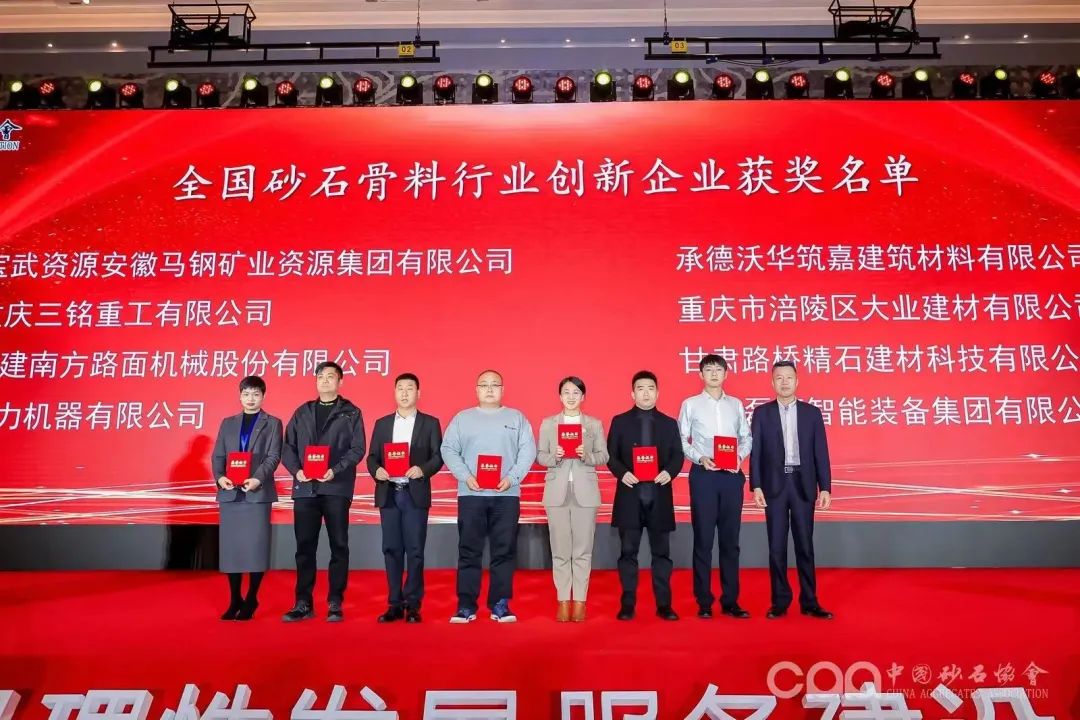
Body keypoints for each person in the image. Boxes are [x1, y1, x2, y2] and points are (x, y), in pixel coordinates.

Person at [441, 370, 536, 623]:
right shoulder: (462, 419)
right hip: (471, 494)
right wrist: (465, 476)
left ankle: (500, 604)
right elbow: (448, 449)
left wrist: (512, 478)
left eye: (495, 385)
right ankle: (466, 605)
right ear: (476, 390)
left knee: (504, 550)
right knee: (468, 550)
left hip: (507, 495)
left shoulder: (516, 418)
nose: (490, 389)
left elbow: (528, 451)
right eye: (484, 385)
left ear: (503, 390)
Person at [280, 361, 366, 623]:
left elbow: (358, 449)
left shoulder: (351, 412)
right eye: (320, 376)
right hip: (305, 488)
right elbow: (287, 446)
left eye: (330, 376)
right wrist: (297, 471)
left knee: (339, 545)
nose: (325, 380)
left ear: (340, 381)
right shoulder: (302, 411)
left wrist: (335, 470)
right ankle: (303, 602)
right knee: (304, 547)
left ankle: (335, 601)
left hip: (335, 487)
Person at [750, 360, 834, 620]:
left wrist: (825, 487)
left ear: (797, 381)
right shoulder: (762, 413)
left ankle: (810, 601)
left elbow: (821, 452)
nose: (784, 382)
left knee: (805, 546)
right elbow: (756, 453)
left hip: (803, 484)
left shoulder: (812, 413)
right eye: (779, 378)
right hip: (774, 486)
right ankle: (780, 601)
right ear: (772, 382)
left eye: (789, 377)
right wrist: (756, 485)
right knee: (776, 547)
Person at [677, 354, 753, 619]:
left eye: (718, 370)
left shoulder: (736, 405)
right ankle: (704, 601)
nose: (713, 374)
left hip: (731, 476)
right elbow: (681, 439)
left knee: (731, 541)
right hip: (704, 476)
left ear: (726, 374)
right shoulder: (691, 404)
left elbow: (746, 438)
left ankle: (731, 601)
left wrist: (739, 457)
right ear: (700, 375)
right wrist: (700, 457)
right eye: (708, 370)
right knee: (704, 539)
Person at [366, 373, 443, 624]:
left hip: (414, 493)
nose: (405, 393)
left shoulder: (430, 423)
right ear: (394, 392)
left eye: (410, 388)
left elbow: (438, 456)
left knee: (415, 550)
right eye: (400, 388)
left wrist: (422, 469)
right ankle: (394, 604)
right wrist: (377, 470)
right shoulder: (382, 423)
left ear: (418, 393)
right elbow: (372, 457)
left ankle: (413, 604)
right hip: (389, 493)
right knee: (391, 549)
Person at [607, 370, 684, 621]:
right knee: (628, 553)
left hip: (659, 496)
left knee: (662, 554)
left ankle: (664, 605)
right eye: (640, 388)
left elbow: (678, 455)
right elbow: (611, 455)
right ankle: (627, 604)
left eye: (650, 388)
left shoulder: (669, 423)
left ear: (658, 393)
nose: (646, 393)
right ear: (632, 393)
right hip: (630, 496)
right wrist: (622, 473)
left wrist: (669, 472)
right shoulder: (620, 421)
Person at [536, 376, 609, 622]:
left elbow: (604, 456)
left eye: (576, 393)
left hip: (585, 492)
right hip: (556, 492)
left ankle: (579, 601)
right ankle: (562, 601)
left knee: (582, 549)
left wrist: (587, 455)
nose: (571, 397)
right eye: (566, 392)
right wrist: (554, 457)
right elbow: (540, 456)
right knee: (560, 550)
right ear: (560, 396)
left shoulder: (594, 424)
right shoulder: (548, 424)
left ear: (583, 397)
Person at [211, 375, 283, 621]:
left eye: (256, 394)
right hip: (230, 492)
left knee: (255, 547)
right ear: (240, 396)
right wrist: (220, 477)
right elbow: (218, 455)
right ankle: (235, 599)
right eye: (246, 394)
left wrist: (258, 479)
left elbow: (273, 456)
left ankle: (252, 597)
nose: (250, 399)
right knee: (232, 549)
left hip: (256, 492)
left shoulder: (273, 423)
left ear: (263, 396)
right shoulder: (228, 423)